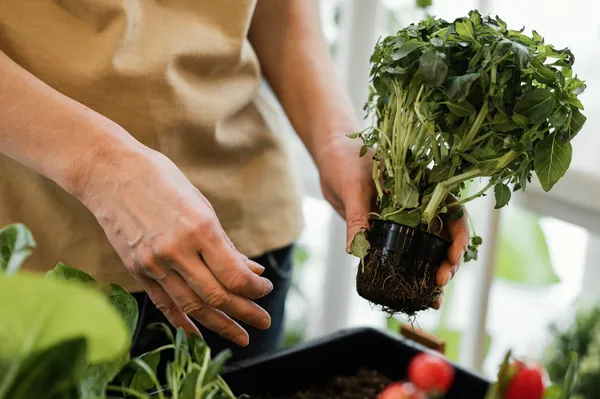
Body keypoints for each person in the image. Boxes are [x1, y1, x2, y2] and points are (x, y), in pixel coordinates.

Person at [0, 1, 469, 361]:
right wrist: (103, 169)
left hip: (239, 251)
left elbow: (278, 13)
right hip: (39, 254)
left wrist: (336, 142)